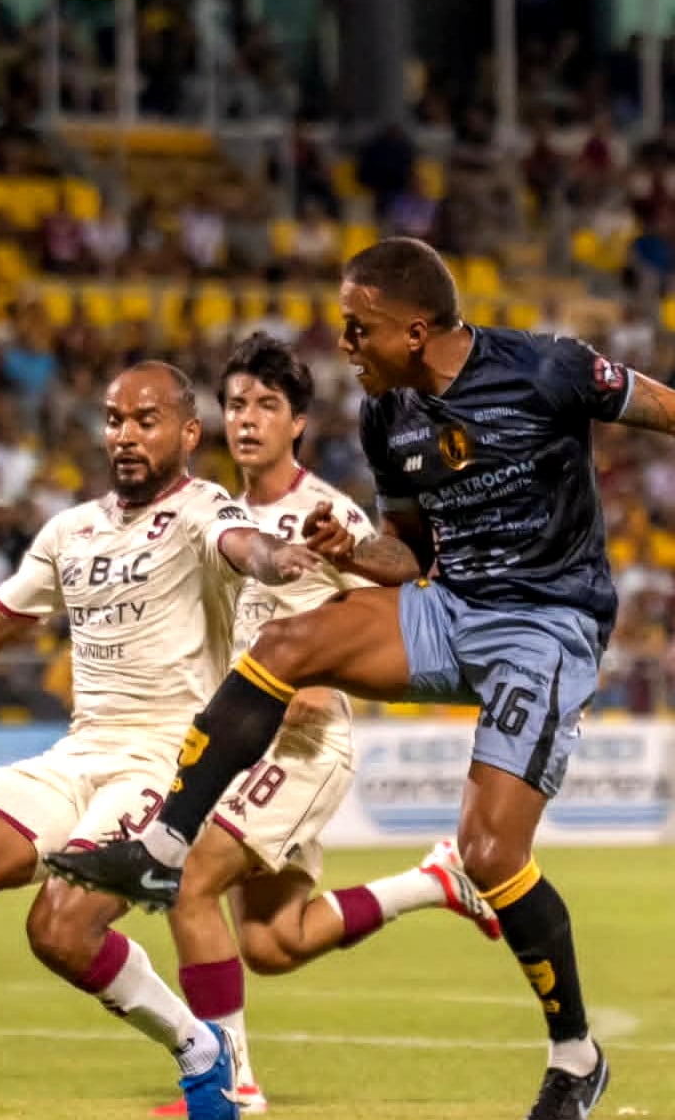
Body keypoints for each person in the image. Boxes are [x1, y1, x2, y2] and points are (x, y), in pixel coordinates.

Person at [45, 237, 675, 1120]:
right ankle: (165, 849)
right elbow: (411, 557)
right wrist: (353, 549)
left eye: (357, 327)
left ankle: (576, 1056)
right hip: (452, 609)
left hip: (548, 624)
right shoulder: (386, 417)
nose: (344, 344)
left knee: (489, 854)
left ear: (415, 330)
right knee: (286, 647)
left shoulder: (546, 369)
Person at [0, 361, 319, 1120]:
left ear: (188, 432)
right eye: (115, 419)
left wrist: (278, 558)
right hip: (79, 753)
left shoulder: (203, 508)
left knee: (59, 927)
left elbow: (245, 545)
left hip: (166, 765)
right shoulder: (69, 531)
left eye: (146, 420)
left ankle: (199, 1049)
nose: (126, 435)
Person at [149, 334, 500, 1117]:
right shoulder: (221, 514)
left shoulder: (322, 512)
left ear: (298, 423)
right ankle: (433, 881)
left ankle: (228, 1082)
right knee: (274, 943)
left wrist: (326, 675)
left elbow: (395, 582)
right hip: (245, 746)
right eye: (236, 403)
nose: (247, 419)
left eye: (267, 406)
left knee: (189, 883)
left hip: (304, 740)